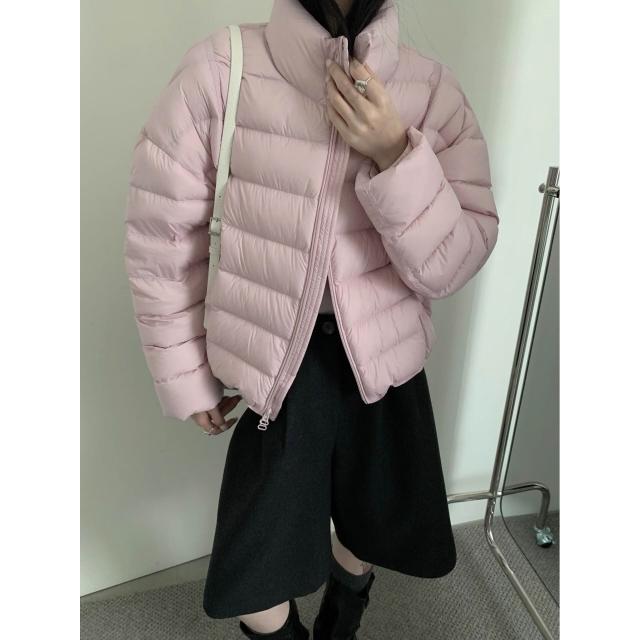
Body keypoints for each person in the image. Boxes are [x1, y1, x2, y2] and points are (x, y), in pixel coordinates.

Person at [123, 0, 499, 637]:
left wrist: (394, 153)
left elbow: (455, 260)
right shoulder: (221, 69)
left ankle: (342, 620)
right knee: (256, 569)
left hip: (384, 361)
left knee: (368, 521)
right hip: (276, 366)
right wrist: (185, 372)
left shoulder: (432, 91)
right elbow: (161, 239)